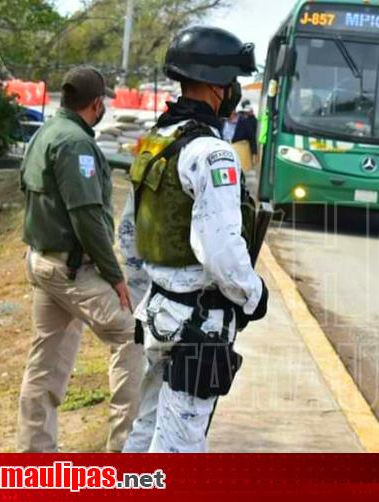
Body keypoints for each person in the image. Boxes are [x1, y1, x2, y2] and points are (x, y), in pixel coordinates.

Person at [119, 25, 268, 453]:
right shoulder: (212, 153)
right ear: (218, 86)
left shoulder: (158, 139)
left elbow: (129, 232)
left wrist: (144, 288)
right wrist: (253, 295)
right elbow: (220, 249)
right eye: (232, 81)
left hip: (160, 312)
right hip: (197, 323)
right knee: (180, 447)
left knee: (147, 428)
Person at [18, 66, 143, 453]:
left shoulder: (45, 133)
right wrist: (114, 275)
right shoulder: (75, 144)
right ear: (96, 103)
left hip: (43, 262)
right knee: (132, 335)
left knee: (46, 362)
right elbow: (86, 215)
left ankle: (34, 458)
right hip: (71, 269)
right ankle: (125, 450)